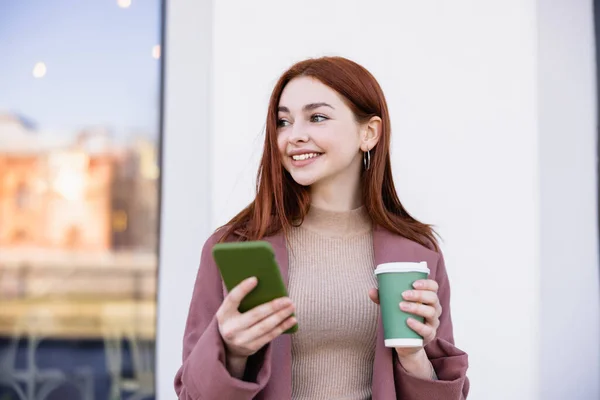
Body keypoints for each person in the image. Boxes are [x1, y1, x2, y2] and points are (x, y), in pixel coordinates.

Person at [174, 56, 469, 400]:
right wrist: (232, 351)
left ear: (369, 133)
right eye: (283, 122)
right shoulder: (235, 245)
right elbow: (191, 395)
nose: (294, 136)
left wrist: (413, 355)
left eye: (317, 117)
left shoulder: (417, 252)